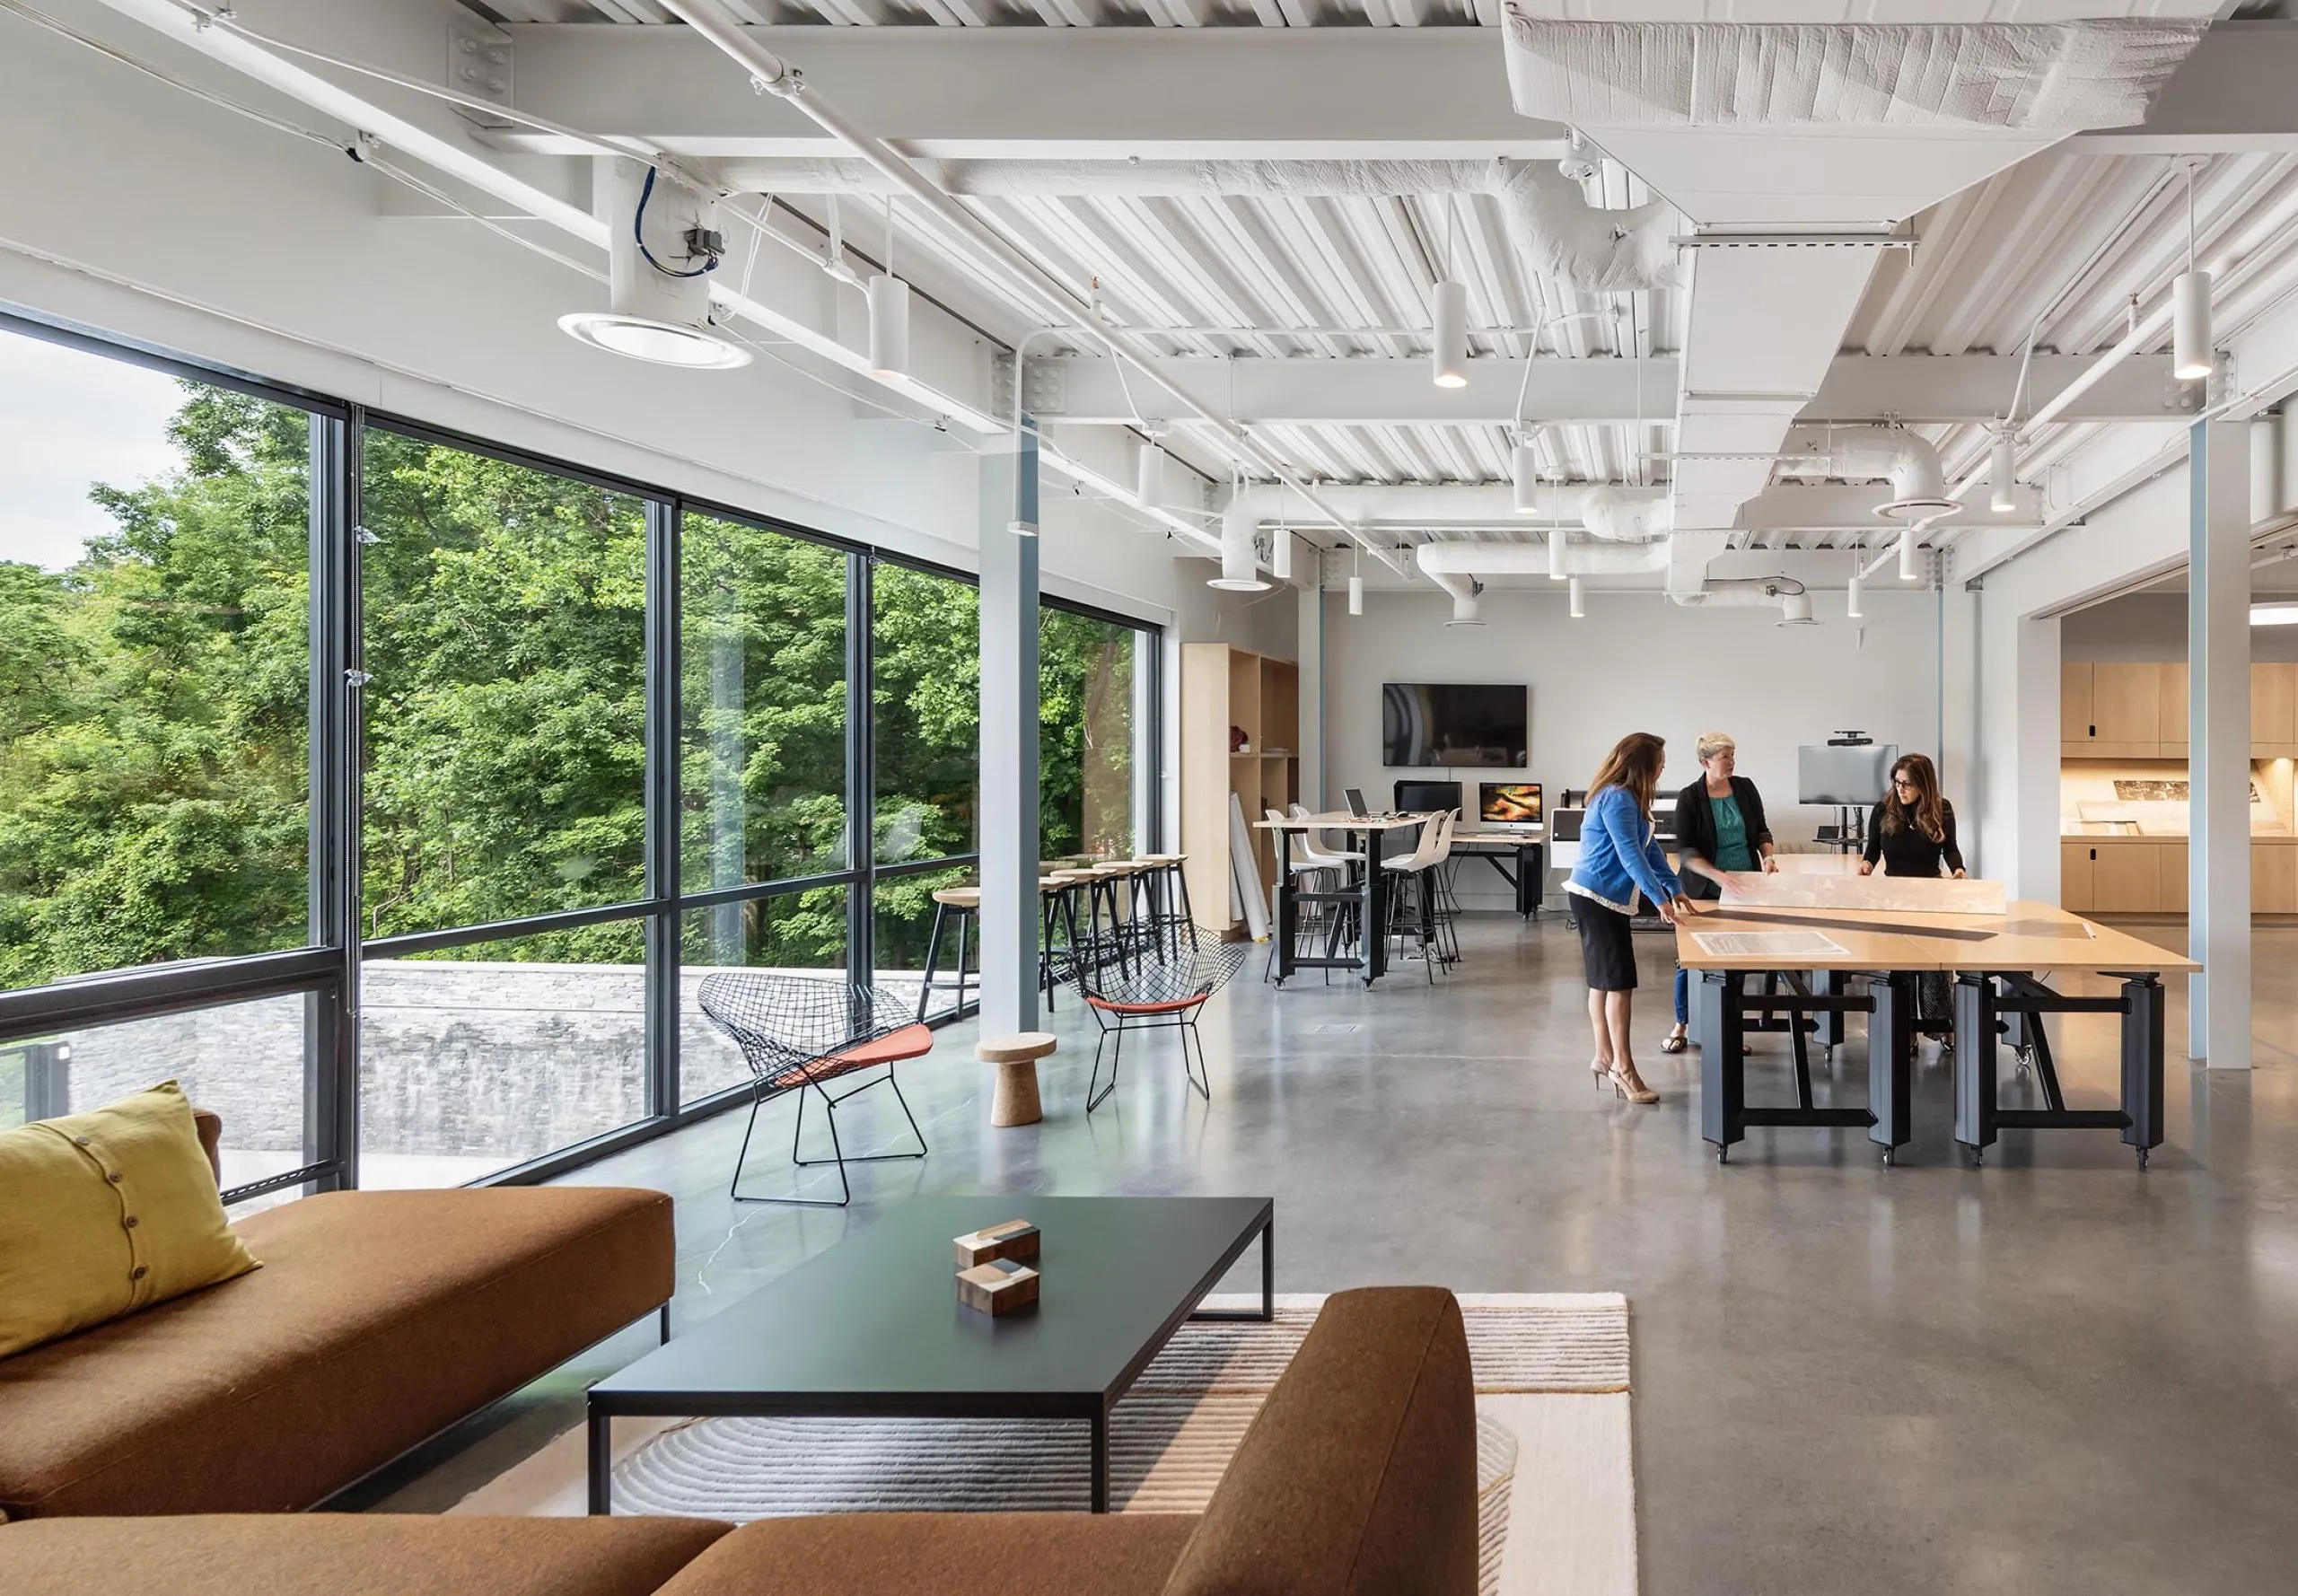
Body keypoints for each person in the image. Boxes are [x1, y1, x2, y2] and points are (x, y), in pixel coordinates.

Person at [1566, 732, 1697, 1105]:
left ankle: (1604, 1057)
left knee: (1604, 982)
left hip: (1602, 897)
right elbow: (1630, 856)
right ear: (1643, 765)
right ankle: (1622, 1068)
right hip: (1596, 897)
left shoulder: (1627, 798)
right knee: (1618, 982)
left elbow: (1649, 848)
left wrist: (1674, 887)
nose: (1663, 769)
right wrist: (1659, 900)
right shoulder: (1617, 799)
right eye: (1659, 763)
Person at [1662, 732, 1780, 1054]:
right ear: (1706, 762)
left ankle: (1730, 1029)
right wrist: (1718, 876)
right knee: (1690, 959)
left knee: (1736, 958)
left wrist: (1768, 855)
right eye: (1725, 756)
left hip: (1744, 886)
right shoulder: (1690, 797)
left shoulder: (1745, 787)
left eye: (1732, 755)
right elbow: (1685, 850)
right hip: (1702, 889)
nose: (1732, 761)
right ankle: (1681, 1024)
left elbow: (1761, 831)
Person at [1860, 752, 1966, 1037]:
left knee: (1935, 967)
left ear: (1924, 784)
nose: (1901, 789)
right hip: (1893, 897)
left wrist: (1958, 869)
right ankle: (1902, 1033)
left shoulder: (1942, 809)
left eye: (1907, 784)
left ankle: (1940, 1029)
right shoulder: (1882, 810)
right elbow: (1872, 849)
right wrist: (1866, 865)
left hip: (1931, 896)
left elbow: (1950, 848)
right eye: (1897, 782)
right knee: (1899, 967)